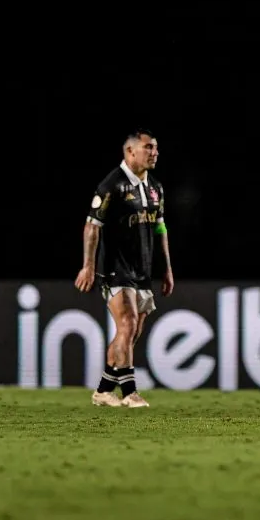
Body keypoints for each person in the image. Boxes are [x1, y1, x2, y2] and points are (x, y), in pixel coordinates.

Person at [74, 129, 175, 408]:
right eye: (148, 147)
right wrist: (88, 266)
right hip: (115, 269)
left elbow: (160, 228)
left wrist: (166, 269)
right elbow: (92, 227)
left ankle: (104, 390)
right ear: (130, 151)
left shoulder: (155, 187)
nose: (154, 153)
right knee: (127, 325)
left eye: (156, 148)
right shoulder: (112, 185)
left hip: (142, 270)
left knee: (130, 334)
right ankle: (130, 392)